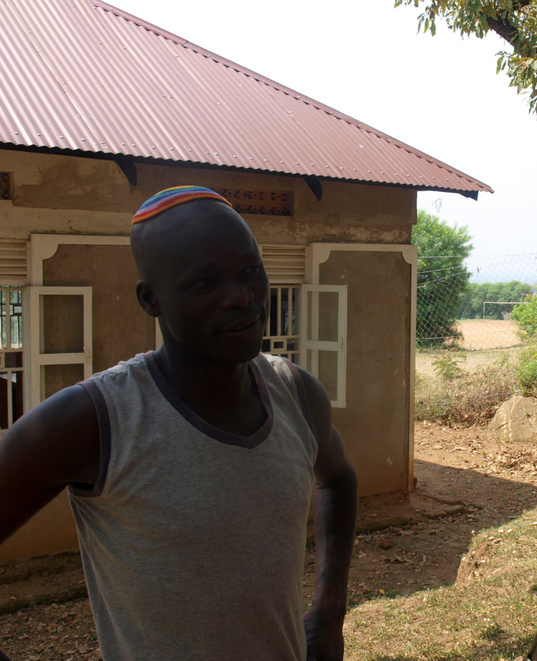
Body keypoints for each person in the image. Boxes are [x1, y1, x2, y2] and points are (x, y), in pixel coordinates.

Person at [0, 186, 358, 661]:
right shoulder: (95, 420)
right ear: (151, 299)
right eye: (204, 284)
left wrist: (329, 611)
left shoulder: (297, 395)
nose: (240, 297)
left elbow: (337, 479)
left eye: (251, 271)